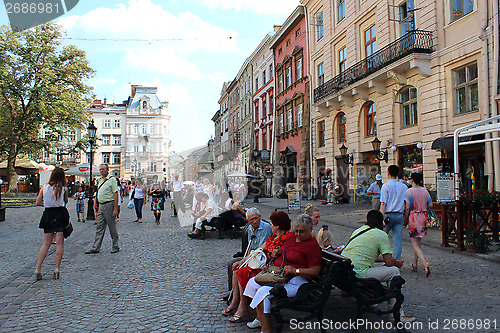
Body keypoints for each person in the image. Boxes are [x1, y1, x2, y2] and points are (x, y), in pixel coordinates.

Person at [241, 214, 322, 333]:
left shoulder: (312, 246)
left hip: (298, 282)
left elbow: (315, 271)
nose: (298, 234)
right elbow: (284, 251)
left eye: (302, 232)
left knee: (264, 292)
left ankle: (266, 328)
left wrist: (296, 271)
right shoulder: (292, 239)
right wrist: (276, 252)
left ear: (310, 230)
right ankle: (260, 318)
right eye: (296, 231)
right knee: (253, 283)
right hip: (281, 276)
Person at [342, 210, 415, 322]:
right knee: (394, 271)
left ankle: (372, 302)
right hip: (358, 274)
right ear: (381, 222)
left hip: (345, 273)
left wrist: (388, 259)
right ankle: (396, 315)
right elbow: (390, 263)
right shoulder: (381, 235)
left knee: (376, 268)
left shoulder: (359, 230)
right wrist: (397, 263)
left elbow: (368, 255)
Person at [225, 211, 294, 329]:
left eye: (273, 223)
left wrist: (272, 255)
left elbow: (284, 258)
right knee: (240, 269)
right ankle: (243, 306)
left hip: (274, 271)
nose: (271, 225)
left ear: (277, 226)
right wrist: (242, 261)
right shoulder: (273, 236)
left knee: (247, 274)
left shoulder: (288, 237)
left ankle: (250, 311)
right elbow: (257, 250)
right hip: (266, 267)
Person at [35, 167, 69, 280]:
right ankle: (57, 268)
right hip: (60, 214)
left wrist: (47, 204)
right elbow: (65, 202)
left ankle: (38, 268)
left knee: (46, 243)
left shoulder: (44, 187)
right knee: (59, 243)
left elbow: (37, 202)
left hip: (48, 214)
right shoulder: (63, 189)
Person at [85, 164, 120, 254]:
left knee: (111, 226)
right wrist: (96, 202)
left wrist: (115, 208)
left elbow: (116, 194)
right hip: (101, 204)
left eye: (103, 169)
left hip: (109, 204)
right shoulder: (100, 180)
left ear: (107, 170)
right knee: (99, 226)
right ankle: (96, 247)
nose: (101, 171)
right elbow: (98, 191)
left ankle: (115, 246)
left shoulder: (112, 179)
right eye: (100, 169)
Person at [404, 173, 432, 276]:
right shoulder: (425, 191)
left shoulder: (409, 192)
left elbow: (407, 208)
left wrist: (406, 219)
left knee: (414, 243)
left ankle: (425, 263)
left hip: (414, 217)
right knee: (418, 242)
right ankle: (414, 264)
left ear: (412, 180)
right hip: (423, 217)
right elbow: (431, 204)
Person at [380, 165, 408, 260]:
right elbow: (406, 203)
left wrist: (380, 217)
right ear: (398, 174)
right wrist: (406, 218)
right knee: (397, 241)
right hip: (399, 215)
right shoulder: (404, 187)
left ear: (388, 173)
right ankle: (397, 260)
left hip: (388, 215)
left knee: (382, 238)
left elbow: (383, 203)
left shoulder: (385, 186)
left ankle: (384, 259)